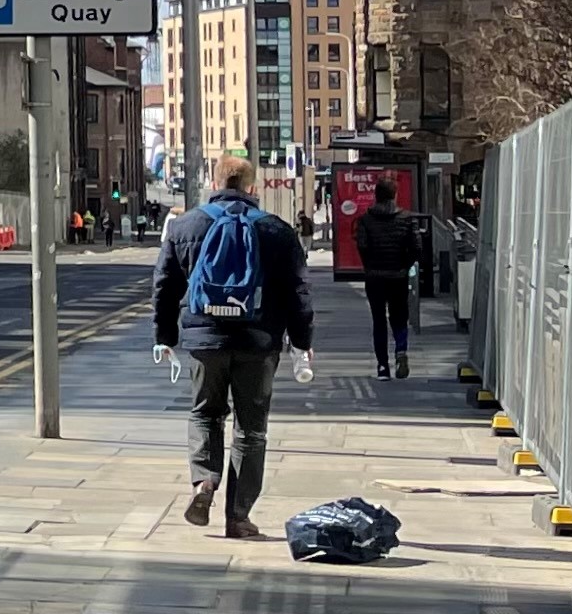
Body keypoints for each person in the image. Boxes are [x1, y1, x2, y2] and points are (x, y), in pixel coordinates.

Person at [154, 157, 315, 537]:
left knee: (205, 414)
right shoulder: (276, 230)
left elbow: (164, 287)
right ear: (252, 187)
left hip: (203, 340)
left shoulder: (184, 226)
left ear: (214, 180)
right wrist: (303, 341)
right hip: (259, 342)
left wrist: (164, 337)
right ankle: (238, 517)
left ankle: (204, 482)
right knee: (251, 429)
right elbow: (298, 292)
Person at [355, 177, 423, 378]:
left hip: (375, 276)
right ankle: (401, 350)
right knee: (399, 316)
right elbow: (417, 248)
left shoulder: (366, 220)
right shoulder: (407, 218)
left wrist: (370, 266)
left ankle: (382, 366)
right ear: (395, 195)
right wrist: (405, 265)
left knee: (378, 319)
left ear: (376, 195)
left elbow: (362, 246)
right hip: (398, 276)